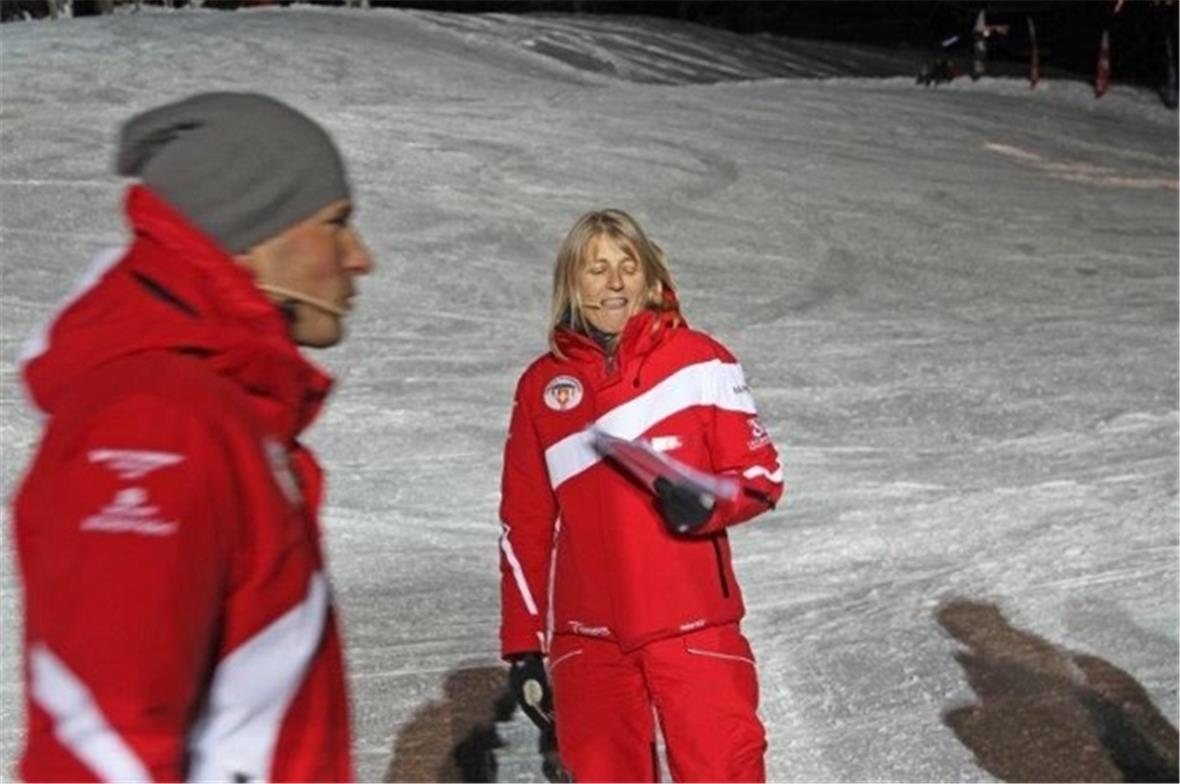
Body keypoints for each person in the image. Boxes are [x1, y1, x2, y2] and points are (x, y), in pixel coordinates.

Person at [12, 92, 373, 781]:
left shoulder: (218, 412)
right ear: (251, 240)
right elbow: (104, 736)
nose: (360, 258)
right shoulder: (157, 422)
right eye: (337, 224)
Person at [498, 209, 784, 782]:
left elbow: (760, 474)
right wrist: (523, 643)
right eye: (596, 268)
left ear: (650, 276)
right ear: (572, 284)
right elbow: (524, 523)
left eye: (628, 266)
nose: (614, 283)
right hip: (589, 639)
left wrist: (710, 503)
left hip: (694, 628)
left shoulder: (701, 362)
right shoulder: (541, 387)